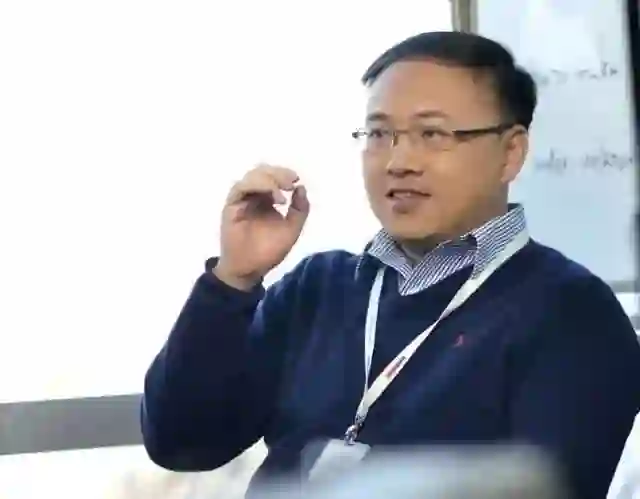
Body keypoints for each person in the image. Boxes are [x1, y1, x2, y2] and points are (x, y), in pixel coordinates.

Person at [140, 31, 640, 499]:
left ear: (511, 153)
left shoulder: (572, 313)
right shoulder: (318, 288)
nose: (399, 161)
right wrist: (233, 280)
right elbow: (182, 442)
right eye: (379, 134)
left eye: (432, 134)